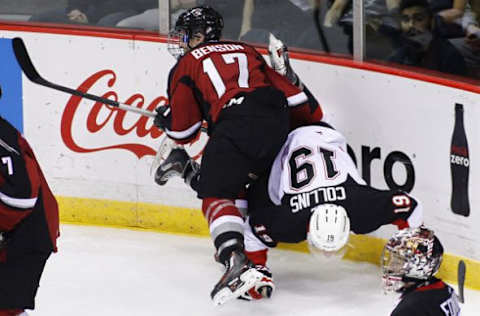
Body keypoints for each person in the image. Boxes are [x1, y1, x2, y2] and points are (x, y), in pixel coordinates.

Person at [154, 33, 425, 301]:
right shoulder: (323, 216)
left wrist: (259, 272)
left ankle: (290, 81)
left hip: (307, 130)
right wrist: (410, 251)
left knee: (235, 176)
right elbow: (412, 208)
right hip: (281, 139)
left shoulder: (347, 211)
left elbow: (410, 208)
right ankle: (287, 82)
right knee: (233, 190)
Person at [152, 6, 323, 306]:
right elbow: (301, 103)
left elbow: (184, 134)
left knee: (216, 193)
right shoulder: (247, 50)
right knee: (241, 184)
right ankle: (255, 268)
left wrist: (167, 119)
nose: (181, 42)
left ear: (202, 36)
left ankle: (236, 260)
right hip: (276, 119)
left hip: (236, 124)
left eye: (186, 35)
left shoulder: (186, 64)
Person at [0, 85, 60, 316]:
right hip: (16, 229)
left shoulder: (2, 139)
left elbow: (21, 198)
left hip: (27, 233)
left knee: (6, 308)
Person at [381, 227, 461, 316]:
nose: (390, 266)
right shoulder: (446, 290)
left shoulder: (409, 309)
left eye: (398, 261)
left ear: (418, 267)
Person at [383, 0, 468, 76]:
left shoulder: (450, 56)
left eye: (419, 19)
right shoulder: (397, 58)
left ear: (431, 22)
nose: (411, 25)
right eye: (405, 20)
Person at [28, 0, 144, 27]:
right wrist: (75, 10)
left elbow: (127, 3)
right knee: (40, 18)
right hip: (85, 12)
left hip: (125, 10)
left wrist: (88, 16)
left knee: (105, 25)